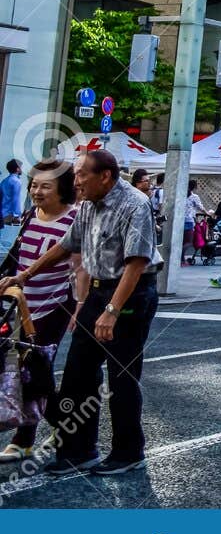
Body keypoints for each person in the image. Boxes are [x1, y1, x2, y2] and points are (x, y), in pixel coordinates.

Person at [2, 149, 156, 476]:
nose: (76, 182)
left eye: (81, 175)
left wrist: (112, 310)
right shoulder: (88, 204)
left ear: (105, 176)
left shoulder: (134, 205)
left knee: (122, 377)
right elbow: (67, 245)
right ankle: (79, 450)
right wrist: (25, 275)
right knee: (76, 375)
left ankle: (129, 451)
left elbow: (137, 263)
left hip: (130, 294)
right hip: (99, 291)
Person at [0, 161, 79, 463]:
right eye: (34, 184)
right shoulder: (32, 215)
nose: (36, 190)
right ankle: (35, 437)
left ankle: (56, 433)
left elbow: (78, 267)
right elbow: (17, 258)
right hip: (20, 306)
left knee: (36, 372)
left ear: (63, 189)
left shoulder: (74, 220)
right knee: (22, 372)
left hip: (53, 307)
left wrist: (79, 306)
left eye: (46, 186)